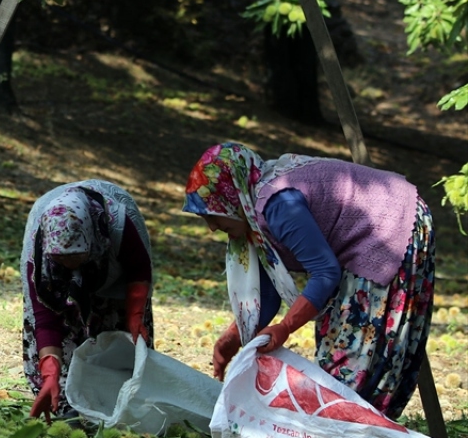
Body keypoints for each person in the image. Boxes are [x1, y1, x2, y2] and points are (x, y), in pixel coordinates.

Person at [183, 141, 435, 419]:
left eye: (213, 214)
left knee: (356, 354)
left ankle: (355, 431)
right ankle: (349, 429)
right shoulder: (253, 214)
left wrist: (286, 327)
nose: (212, 227)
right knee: (339, 345)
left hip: (392, 223)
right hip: (364, 237)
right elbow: (268, 292)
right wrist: (233, 337)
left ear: (234, 198)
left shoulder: (277, 203)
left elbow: (325, 273)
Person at [21, 180, 154, 421]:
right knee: (64, 350)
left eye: (76, 257)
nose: (72, 268)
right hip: (55, 271)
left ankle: (114, 401)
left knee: (117, 341)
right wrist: (50, 372)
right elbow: (45, 318)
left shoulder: (119, 226)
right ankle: (63, 399)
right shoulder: (38, 256)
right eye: (62, 261)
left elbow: (139, 271)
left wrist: (134, 316)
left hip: (112, 270)